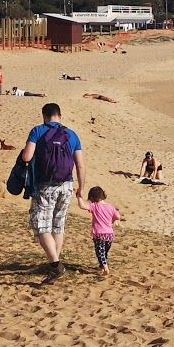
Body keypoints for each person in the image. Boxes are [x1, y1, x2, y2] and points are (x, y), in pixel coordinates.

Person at [16, 102, 85, 282]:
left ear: (44, 116)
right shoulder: (72, 134)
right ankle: (55, 262)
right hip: (67, 185)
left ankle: (55, 265)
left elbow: (27, 157)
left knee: (41, 226)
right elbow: (80, 164)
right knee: (58, 225)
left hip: (45, 185)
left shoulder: (38, 131)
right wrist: (81, 188)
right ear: (60, 116)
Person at [76, 186, 121, 278]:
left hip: (99, 233)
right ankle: (102, 266)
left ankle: (105, 267)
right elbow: (118, 216)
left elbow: (82, 206)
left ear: (92, 198)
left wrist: (79, 197)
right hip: (109, 234)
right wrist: (113, 221)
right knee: (104, 252)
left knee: (99, 251)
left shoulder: (95, 206)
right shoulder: (111, 207)